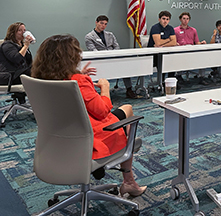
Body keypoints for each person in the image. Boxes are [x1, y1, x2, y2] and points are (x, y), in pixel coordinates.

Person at [31, 35, 146, 197]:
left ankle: (127, 180)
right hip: (91, 140)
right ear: (71, 57)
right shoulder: (78, 81)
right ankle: (128, 181)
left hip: (58, 140)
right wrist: (105, 88)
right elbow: (102, 111)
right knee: (128, 110)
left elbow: (69, 88)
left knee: (126, 109)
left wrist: (79, 76)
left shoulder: (41, 80)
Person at [85, 15, 138, 99]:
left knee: (125, 67)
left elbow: (116, 46)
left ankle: (129, 89)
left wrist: (114, 55)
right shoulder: (89, 37)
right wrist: (106, 55)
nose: (103, 26)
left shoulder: (110, 35)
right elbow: (93, 51)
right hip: (100, 61)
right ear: (96, 23)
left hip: (113, 58)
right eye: (101, 23)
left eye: (105, 24)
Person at [0, 22, 33, 88]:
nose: (23, 33)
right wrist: (26, 46)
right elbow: (17, 59)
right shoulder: (7, 45)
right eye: (20, 30)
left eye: (24, 30)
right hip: (10, 75)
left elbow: (29, 62)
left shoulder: (22, 45)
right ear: (13, 33)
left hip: (19, 73)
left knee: (39, 68)